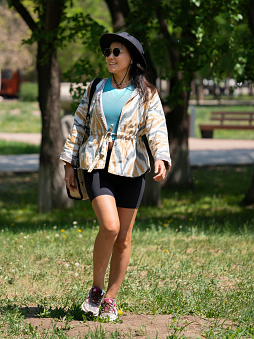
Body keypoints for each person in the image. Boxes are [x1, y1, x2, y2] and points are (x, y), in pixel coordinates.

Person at [59, 32, 171, 321]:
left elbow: (156, 128)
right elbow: (79, 124)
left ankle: (110, 298)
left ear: (131, 57)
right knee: (109, 227)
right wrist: (69, 162)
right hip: (96, 164)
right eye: (107, 51)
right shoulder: (96, 88)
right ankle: (95, 290)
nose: (110, 56)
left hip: (133, 168)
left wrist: (160, 157)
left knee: (123, 237)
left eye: (116, 51)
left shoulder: (147, 93)